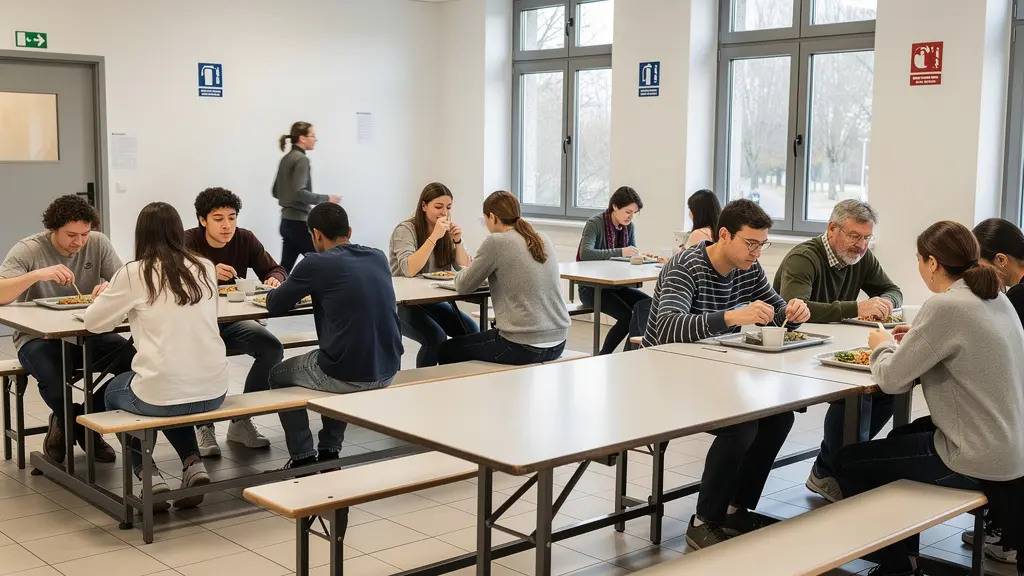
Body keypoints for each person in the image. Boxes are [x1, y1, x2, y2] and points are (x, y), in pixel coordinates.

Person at [834, 221, 1024, 576]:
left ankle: (897, 569)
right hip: (1012, 447)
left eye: (920, 260)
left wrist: (883, 347)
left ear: (933, 263)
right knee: (897, 440)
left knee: (848, 463)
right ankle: (906, 555)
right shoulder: (996, 297)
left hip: (977, 456)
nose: (920, 268)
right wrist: (918, 340)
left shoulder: (947, 306)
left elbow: (891, 381)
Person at [641, 199, 811, 549]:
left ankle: (735, 508)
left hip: (714, 374)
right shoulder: (684, 266)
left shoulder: (748, 268)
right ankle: (704, 520)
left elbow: (776, 310)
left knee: (778, 419)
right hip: (664, 377)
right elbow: (670, 327)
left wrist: (793, 311)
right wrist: (733, 316)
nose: (757, 252)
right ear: (724, 235)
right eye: (751, 243)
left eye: (763, 244)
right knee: (742, 425)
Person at [87, 202, 228, 511]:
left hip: (164, 392)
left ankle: (148, 474)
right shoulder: (204, 266)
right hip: (216, 391)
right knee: (170, 388)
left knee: (115, 393)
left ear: (141, 235)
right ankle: (193, 465)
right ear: (180, 231)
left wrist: (110, 297)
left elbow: (95, 323)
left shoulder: (135, 272)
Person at [772, 199, 903, 503]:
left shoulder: (862, 258)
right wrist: (858, 307)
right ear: (832, 229)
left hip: (833, 345)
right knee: (857, 396)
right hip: (796, 350)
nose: (861, 246)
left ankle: (834, 466)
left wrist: (887, 303)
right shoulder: (804, 257)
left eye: (867, 238)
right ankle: (832, 470)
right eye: (855, 236)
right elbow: (797, 310)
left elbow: (893, 290)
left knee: (889, 388)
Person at [268, 203, 403, 469]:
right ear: (349, 231)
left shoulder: (315, 263)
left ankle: (302, 458)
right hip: (389, 369)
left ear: (316, 234)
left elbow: (275, 303)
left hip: (347, 373)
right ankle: (330, 452)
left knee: (277, 375)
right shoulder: (377, 256)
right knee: (341, 354)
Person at [0, 195, 133, 464]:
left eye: (85, 234)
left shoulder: (98, 243)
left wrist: (110, 287)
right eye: (71, 235)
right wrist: (37, 275)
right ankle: (73, 422)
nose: (80, 242)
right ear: (53, 228)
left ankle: (82, 420)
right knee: (53, 376)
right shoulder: (29, 249)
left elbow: (125, 281)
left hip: (89, 331)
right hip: (37, 337)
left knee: (134, 362)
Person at [185, 187, 287, 456]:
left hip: (233, 320)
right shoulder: (187, 242)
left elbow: (275, 268)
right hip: (195, 324)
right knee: (206, 356)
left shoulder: (245, 239)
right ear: (202, 220)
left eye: (232, 217)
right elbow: (172, 282)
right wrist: (205, 271)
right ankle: (203, 425)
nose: (227, 225)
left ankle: (242, 421)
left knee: (272, 348)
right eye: (218, 219)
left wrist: (275, 278)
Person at [438, 191, 570, 365]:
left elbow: (463, 285)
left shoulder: (496, 241)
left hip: (521, 345)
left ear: (492, 217)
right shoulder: (542, 238)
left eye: (485, 219)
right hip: (559, 342)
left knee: (446, 350)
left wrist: (463, 270)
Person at [963, 217, 1024, 565]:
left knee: (983, 421)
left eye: (981, 265)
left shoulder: (1017, 298)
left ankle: (1007, 530)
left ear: (1001, 260)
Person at [389, 183, 477, 367]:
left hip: (434, 300)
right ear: (424, 206)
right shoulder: (405, 230)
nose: (444, 212)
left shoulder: (445, 231)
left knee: (471, 331)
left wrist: (458, 241)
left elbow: (463, 266)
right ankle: (423, 385)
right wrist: (434, 237)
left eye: (448, 207)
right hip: (405, 304)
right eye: (438, 207)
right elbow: (409, 269)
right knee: (435, 337)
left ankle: (451, 378)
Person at [576, 186, 651, 355]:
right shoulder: (594, 223)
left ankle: (633, 352)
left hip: (617, 286)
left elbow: (631, 254)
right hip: (592, 288)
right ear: (615, 206)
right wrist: (621, 252)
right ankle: (604, 355)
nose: (630, 217)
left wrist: (639, 257)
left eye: (634, 213)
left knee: (649, 305)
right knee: (626, 316)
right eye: (627, 212)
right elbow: (586, 253)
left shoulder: (629, 227)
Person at [273, 121, 341, 273]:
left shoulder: (286, 159)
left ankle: (275, 294)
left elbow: (276, 192)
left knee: (284, 268)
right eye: (313, 135)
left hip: (286, 222)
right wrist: (327, 198)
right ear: (302, 138)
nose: (315, 139)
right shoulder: (301, 159)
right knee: (323, 264)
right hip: (299, 223)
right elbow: (299, 193)